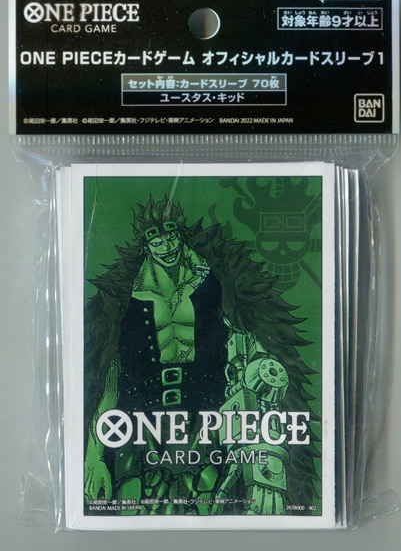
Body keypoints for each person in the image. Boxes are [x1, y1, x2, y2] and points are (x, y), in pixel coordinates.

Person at [83, 195, 319, 515]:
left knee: (213, 510)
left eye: (170, 234)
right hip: (140, 429)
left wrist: (268, 457)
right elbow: (111, 380)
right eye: (155, 239)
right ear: (145, 244)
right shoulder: (126, 297)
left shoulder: (216, 282)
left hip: (207, 425)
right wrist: (94, 455)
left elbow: (258, 365)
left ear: (180, 233)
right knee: (133, 512)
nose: (165, 245)